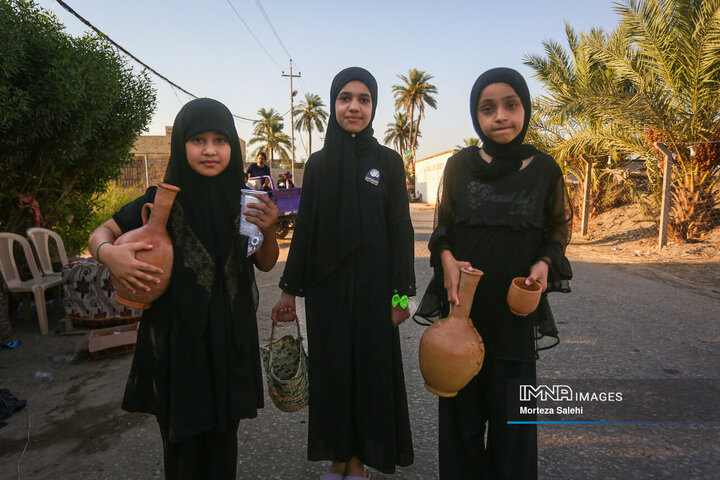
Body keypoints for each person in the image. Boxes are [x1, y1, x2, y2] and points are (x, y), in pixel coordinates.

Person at [88, 98, 279, 480]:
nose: (210, 150)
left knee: (223, 446)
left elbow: (265, 262)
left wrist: (270, 229)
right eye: (198, 140)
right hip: (176, 347)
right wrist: (110, 255)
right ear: (182, 146)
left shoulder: (247, 202)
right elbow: (101, 232)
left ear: (233, 146)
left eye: (220, 140)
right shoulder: (161, 200)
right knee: (182, 450)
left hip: (228, 342)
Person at [414, 68, 573, 479]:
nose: (500, 116)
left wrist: (543, 264)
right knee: (460, 421)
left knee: (513, 427)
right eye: (488, 108)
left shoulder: (545, 170)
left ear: (525, 109)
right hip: (462, 309)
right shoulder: (460, 166)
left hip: (515, 314)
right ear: (475, 115)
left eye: (511, 105)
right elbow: (443, 227)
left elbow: (557, 227)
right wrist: (446, 259)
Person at [271, 67, 415, 479]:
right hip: (327, 294)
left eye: (363, 98)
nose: (354, 106)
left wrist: (401, 296)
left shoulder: (387, 162)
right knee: (333, 376)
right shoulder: (316, 166)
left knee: (371, 376)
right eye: (345, 98)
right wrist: (288, 292)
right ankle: (339, 459)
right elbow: (307, 230)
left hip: (374, 294)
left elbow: (400, 231)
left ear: (373, 106)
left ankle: (360, 462)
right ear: (335, 104)